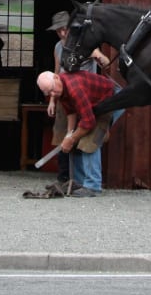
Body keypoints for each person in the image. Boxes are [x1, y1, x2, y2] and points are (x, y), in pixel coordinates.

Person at [45, 11, 109, 189]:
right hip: (65, 94)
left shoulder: (84, 43)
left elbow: (105, 61)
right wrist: (52, 100)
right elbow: (57, 73)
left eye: (65, 29)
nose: (63, 33)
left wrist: (98, 56)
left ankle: (91, 183)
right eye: (59, 30)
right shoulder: (58, 47)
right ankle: (67, 179)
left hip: (85, 95)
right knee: (63, 136)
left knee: (87, 136)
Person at [36, 69, 122, 197]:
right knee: (76, 140)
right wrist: (69, 135)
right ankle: (79, 183)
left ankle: (93, 186)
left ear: (56, 77)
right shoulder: (60, 89)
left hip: (113, 99)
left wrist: (71, 139)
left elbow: (88, 122)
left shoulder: (74, 88)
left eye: (53, 90)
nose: (53, 93)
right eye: (50, 93)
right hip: (94, 105)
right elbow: (71, 112)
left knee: (89, 141)